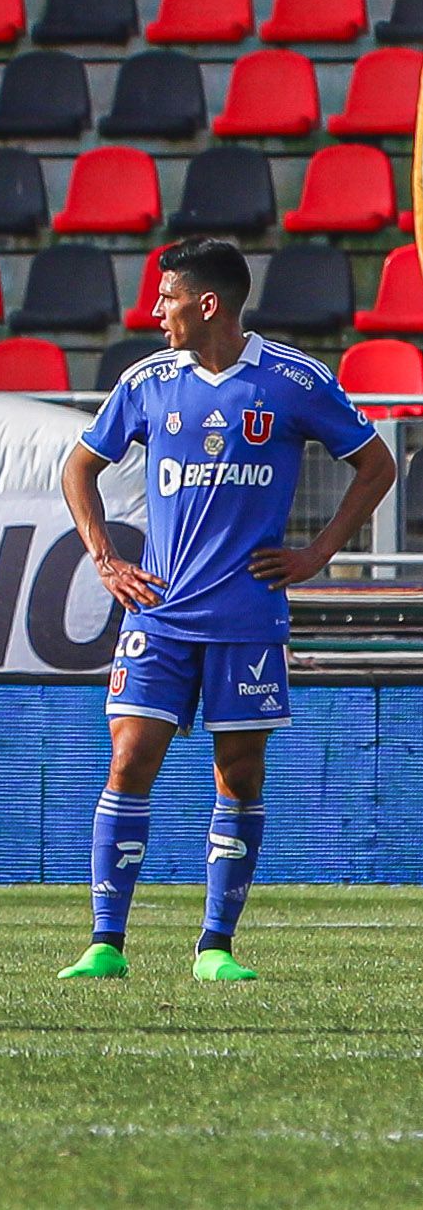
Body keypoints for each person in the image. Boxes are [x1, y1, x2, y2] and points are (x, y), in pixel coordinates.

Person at [59, 237, 396, 982]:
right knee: (127, 756)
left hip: (246, 618)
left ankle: (214, 947)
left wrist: (315, 556)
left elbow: (376, 465)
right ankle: (103, 943)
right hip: (159, 612)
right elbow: (78, 466)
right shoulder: (146, 382)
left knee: (238, 775)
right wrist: (105, 559)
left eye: (166, 296)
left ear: (205, 303)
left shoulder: (293, 381)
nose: (155, 311)